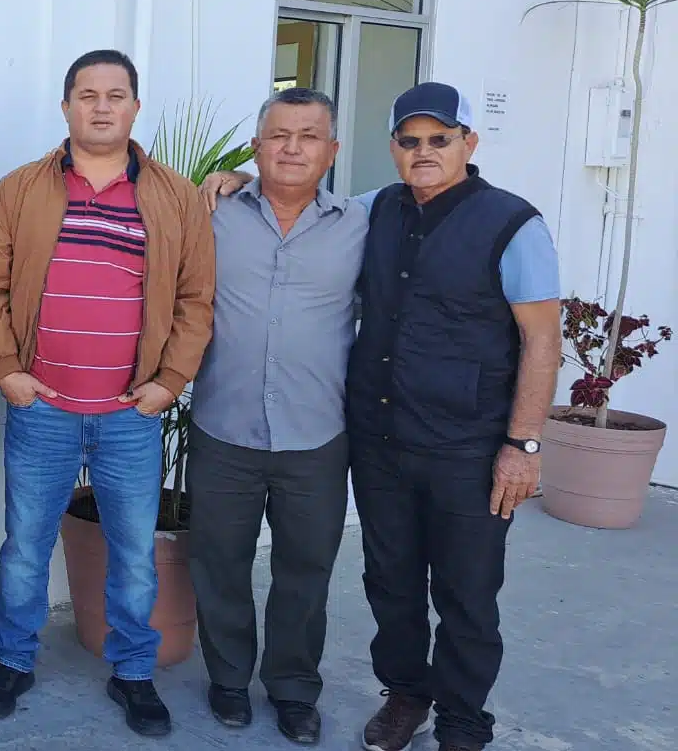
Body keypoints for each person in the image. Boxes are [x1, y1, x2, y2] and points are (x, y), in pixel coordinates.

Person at [203, 82, 561, 751]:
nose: (424, 152)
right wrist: (244, 176)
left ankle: (461, 721)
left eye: (440, 139)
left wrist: (525, 443)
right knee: (390, 580)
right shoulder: (373, 212)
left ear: (469, 144)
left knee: (467, 593)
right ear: (391, 147)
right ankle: (405, 694)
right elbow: (292, 185)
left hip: (471, 447)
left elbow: (543, 339)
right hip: (382, 440)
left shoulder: (514, 224)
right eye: (410, 140)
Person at [0, 49, 214, 737]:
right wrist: (7, 368)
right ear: (66, 105)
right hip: (40, 406)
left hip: (129, 416)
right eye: (86, 93)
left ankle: (133, 672)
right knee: (24, 546)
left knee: (134, 551)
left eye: (114, 94)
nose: (100, 105)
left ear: (136, 106)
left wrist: (169, 382)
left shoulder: (173, 196)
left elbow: (197, 298)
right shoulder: (23, 189)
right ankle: (13, 660)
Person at [187, 87, 364, 745]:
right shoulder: (213, 211)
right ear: (257, 146)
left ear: (332, 150)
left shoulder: (361, 222)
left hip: (317, 434)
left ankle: (293, 687)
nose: (293, 147)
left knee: (306, 568)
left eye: (309, 135)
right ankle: (229, 678)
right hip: (223, 426)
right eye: (279, 134)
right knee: (218, 560)